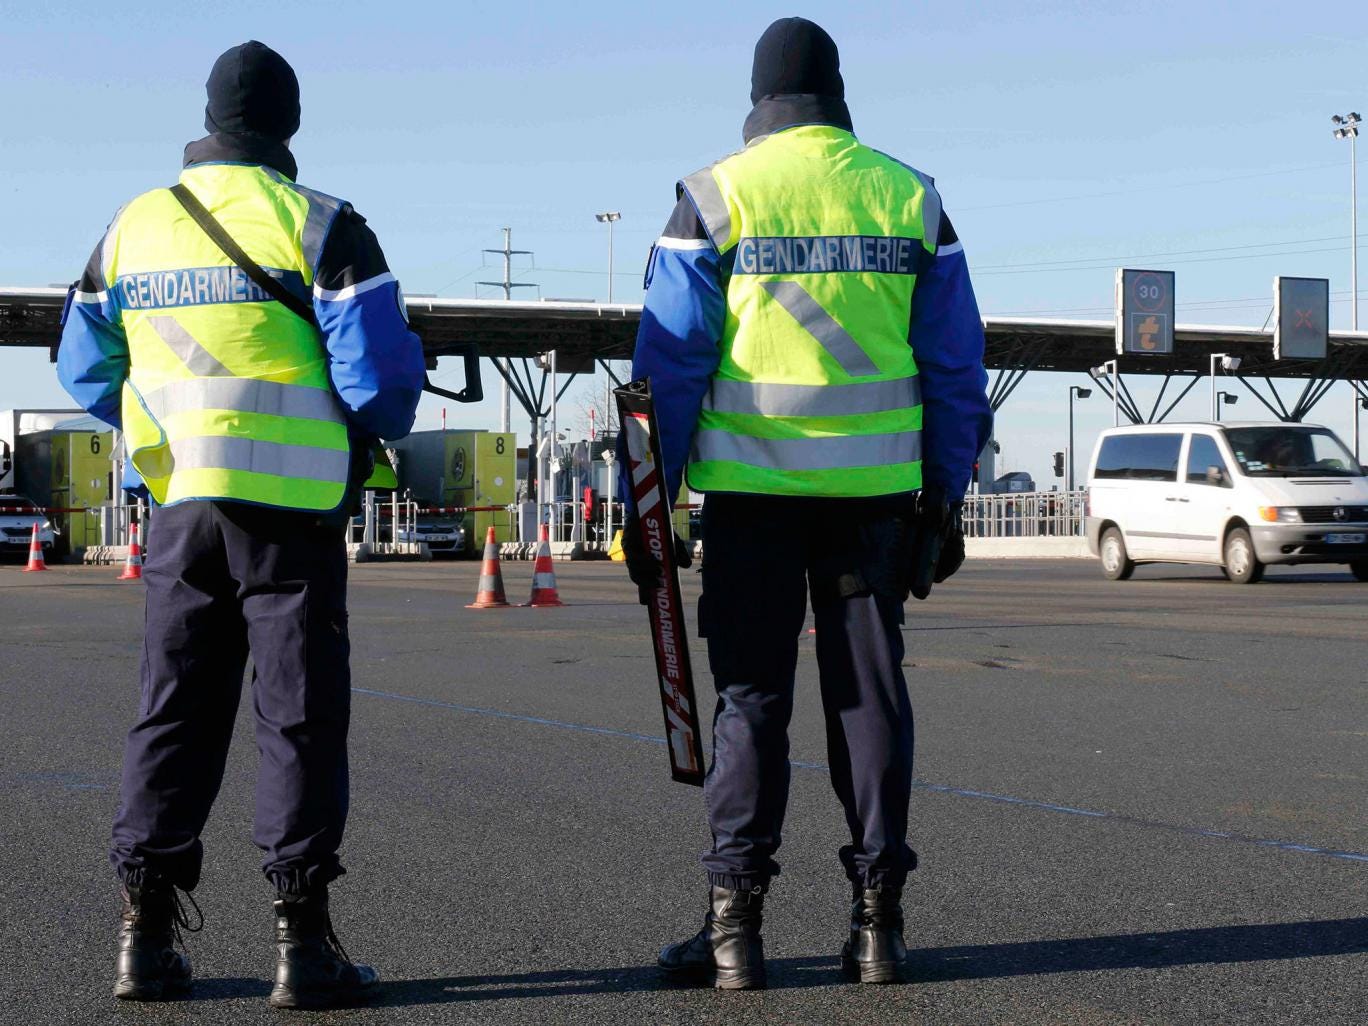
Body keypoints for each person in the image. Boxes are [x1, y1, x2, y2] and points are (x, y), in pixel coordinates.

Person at [621, 17, 992, 989]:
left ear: (757, 101)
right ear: (837, 93)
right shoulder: (910, 198)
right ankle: (879, 929)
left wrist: (645, 509)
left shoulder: (714, 197)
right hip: (874, 502)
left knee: (751, 703)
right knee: (869, 702)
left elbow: (667, 368)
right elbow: (957, 368)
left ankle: (734, 931)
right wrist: (944, 495)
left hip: (748, 500)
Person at [57, 41, 425, 1008]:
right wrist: (368, 430)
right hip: (294, 520)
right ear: (288, 123)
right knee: (296, 719)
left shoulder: (130, 230)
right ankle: (303, 947)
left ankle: (144, 936)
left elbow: (84, 371)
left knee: (171, 709)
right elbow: (381, 383)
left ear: (209, 118)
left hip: (182, 511)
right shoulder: (323, 225)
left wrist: (163, 430)